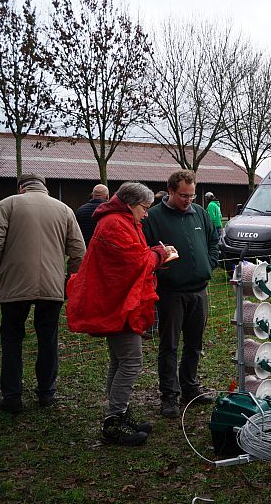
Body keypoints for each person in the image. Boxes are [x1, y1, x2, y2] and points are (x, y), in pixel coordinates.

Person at [67, 182, 178, 446]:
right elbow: (134, 261)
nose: (147, 214)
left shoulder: (122, 221)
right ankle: (114, 420)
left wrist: (154, 255)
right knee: (131, 361)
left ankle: (119, 413)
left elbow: (136, 255)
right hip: (117, 303)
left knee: (119, 361)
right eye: (144, 208)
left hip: (119, 300)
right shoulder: (115, 224)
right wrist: (160, 254)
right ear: (130, 204)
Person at [0, 174, 85, 414]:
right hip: (52, 285)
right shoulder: (64, 209)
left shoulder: (7, 204)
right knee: (48, 339)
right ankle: (46, 392)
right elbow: (79, 251)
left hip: (15, 284)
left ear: (21, 187)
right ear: (44, 187)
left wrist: (3, 266)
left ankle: (12, 396)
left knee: (11, 338)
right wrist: (68, 278)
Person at [142, 170, 219, 418]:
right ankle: (169, 395)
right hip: (171, 293)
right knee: (169, 345)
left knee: (194, 344)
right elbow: (145, 251)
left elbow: (213, 240)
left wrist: (210, 263)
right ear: (171, 191)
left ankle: (190, 388)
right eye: (183, 195)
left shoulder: (200, 213)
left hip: (199, 290)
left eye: (192, 195)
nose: (188, 200)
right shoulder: (153, 217)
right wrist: (162, 270)